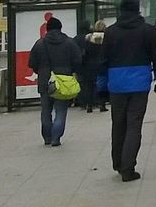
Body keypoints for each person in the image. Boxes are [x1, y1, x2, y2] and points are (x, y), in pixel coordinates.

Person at [99, 0, 156, 181]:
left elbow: (102, 61)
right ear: (137, 9)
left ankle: (118, 162)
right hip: (139, 84)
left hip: (116, 84)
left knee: (118, 124)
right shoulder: (148, 31)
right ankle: (128, 168)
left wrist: (102, 86)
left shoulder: (110, 32)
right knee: (134, 125)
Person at [27, 15, 82, 147]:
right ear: (60, 28)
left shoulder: (39, 43)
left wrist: (41, 71)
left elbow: (32, 63)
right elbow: (78, 60)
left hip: (45, 81)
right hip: (63, 81)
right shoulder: (69, 42)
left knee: (46, 111)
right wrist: (70, 70)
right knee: (61, 111)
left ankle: (47, 137)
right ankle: (56, 138)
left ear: (47, 29)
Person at [77, 20, 108, 113]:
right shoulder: (107, 38)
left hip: (90, 65)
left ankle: (89, 106)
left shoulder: (89, 38)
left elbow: (85, 53)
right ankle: (102, 104)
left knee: (89, 86)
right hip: (102, 64)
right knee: (102, 85)